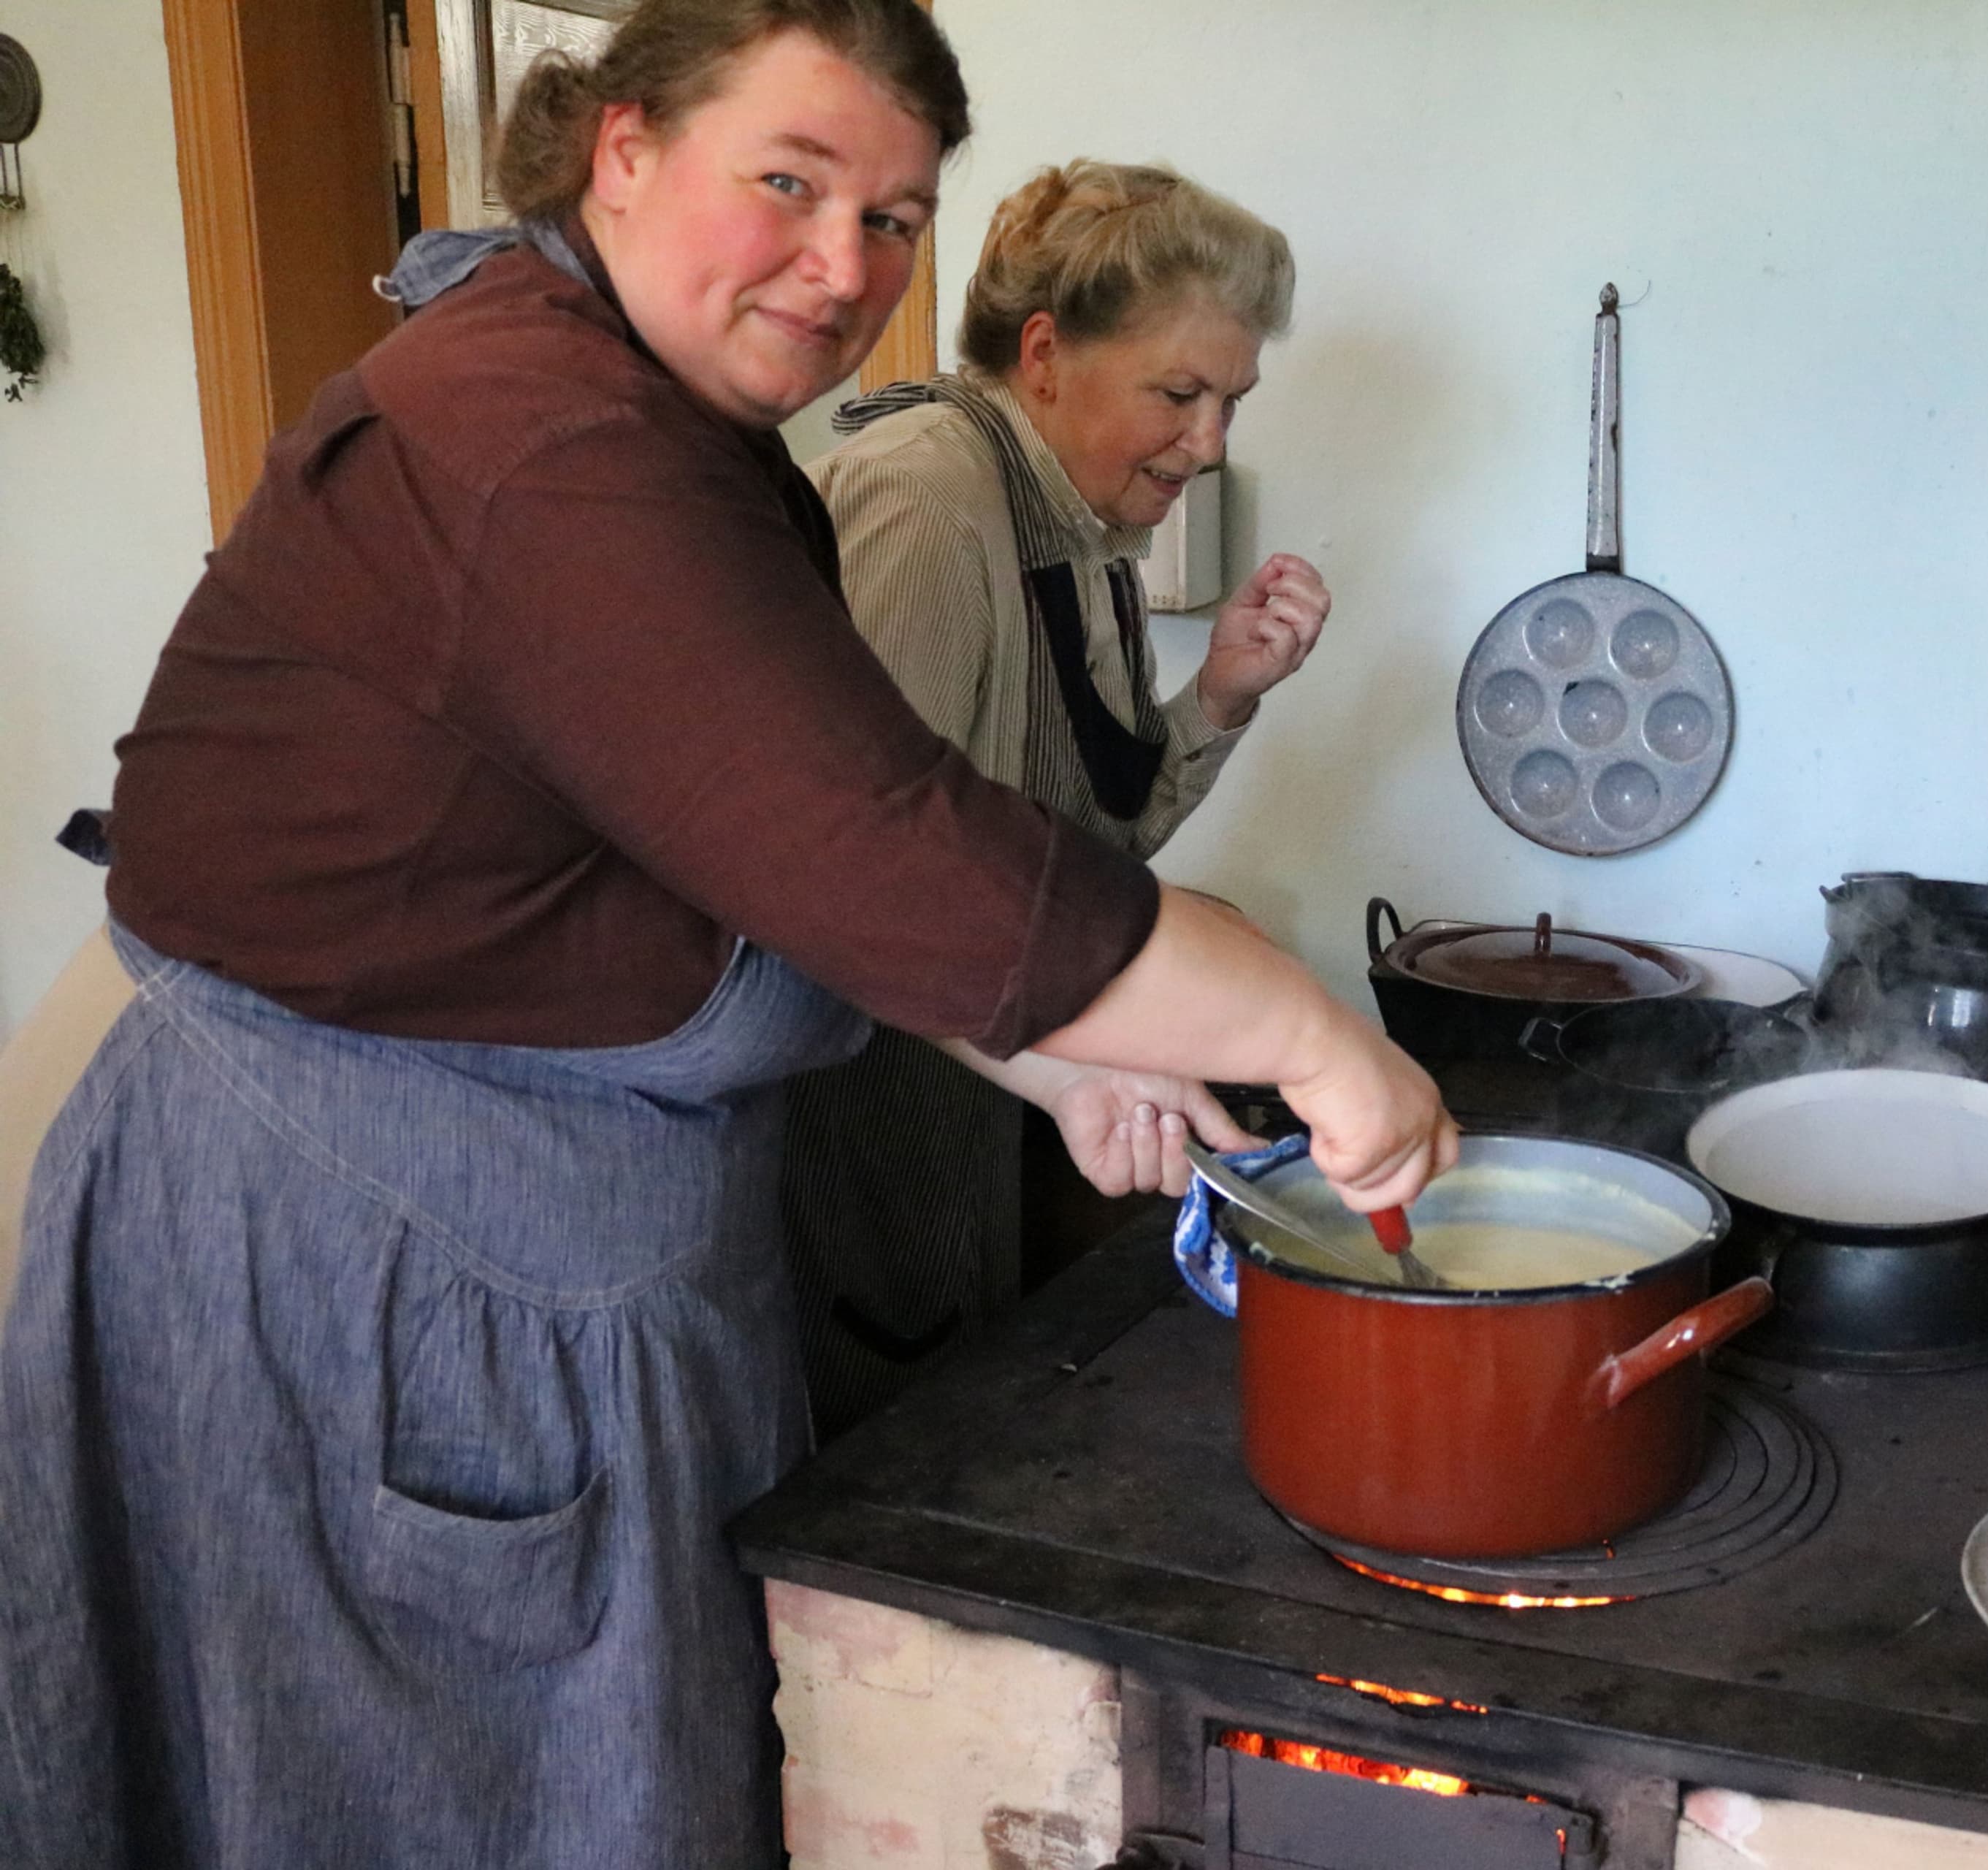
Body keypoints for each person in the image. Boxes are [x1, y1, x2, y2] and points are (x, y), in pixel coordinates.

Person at [0, 4, 1451, 1866]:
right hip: (382, 1254)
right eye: (790, 181)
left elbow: (762, 849)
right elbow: (891, 849)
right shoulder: (537, 439)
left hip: (531, 1254)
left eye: (895, 220)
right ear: (621, 151)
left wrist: (1067, 1050)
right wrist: (1325, 1042)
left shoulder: (661, 427)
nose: (843, 265)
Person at [784, 160, 1328, 1435]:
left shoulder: (1082, 534)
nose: (1210, 445)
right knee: (869, 1475)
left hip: (988, 1106)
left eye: (1231, 401)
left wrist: (1223, 697)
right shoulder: (926, 503)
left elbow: (1097, 837)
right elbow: (856, 892)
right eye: (1180, 394)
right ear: (1044, 355)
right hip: (862, 1123)